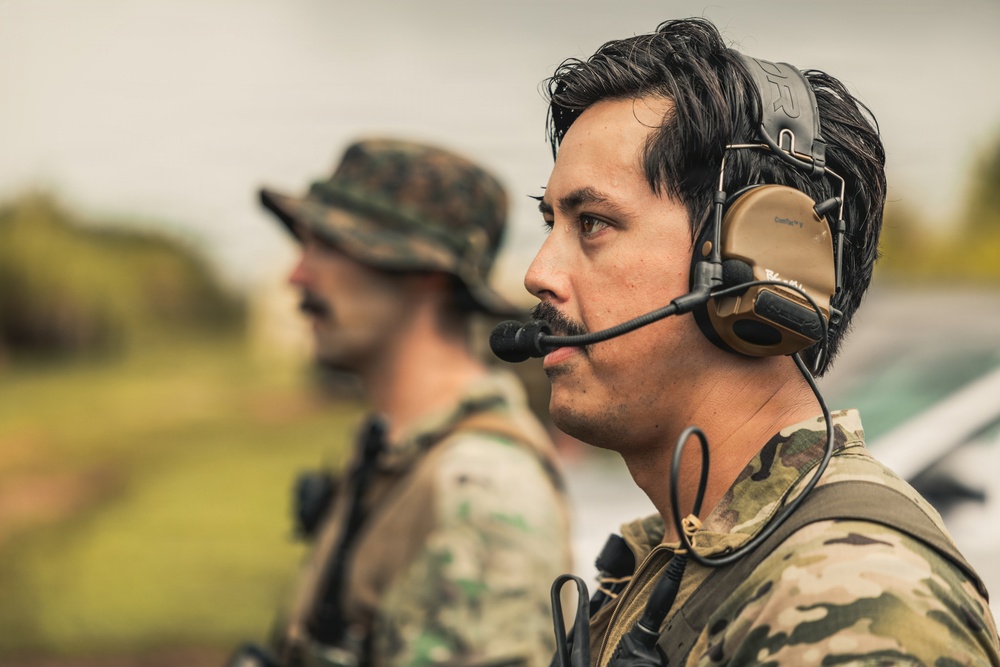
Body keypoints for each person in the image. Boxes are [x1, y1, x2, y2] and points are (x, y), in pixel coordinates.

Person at [511, 17, 1000, 667]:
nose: (538, 273)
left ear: (760, 259)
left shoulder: (853, 604)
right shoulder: (676, 560)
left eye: (592, 223)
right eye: (551, 222)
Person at [244, 138, 572, 667]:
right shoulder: (394, 447)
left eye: (328, 246)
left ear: (425, 271)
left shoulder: (481, 494)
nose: (297, 276)